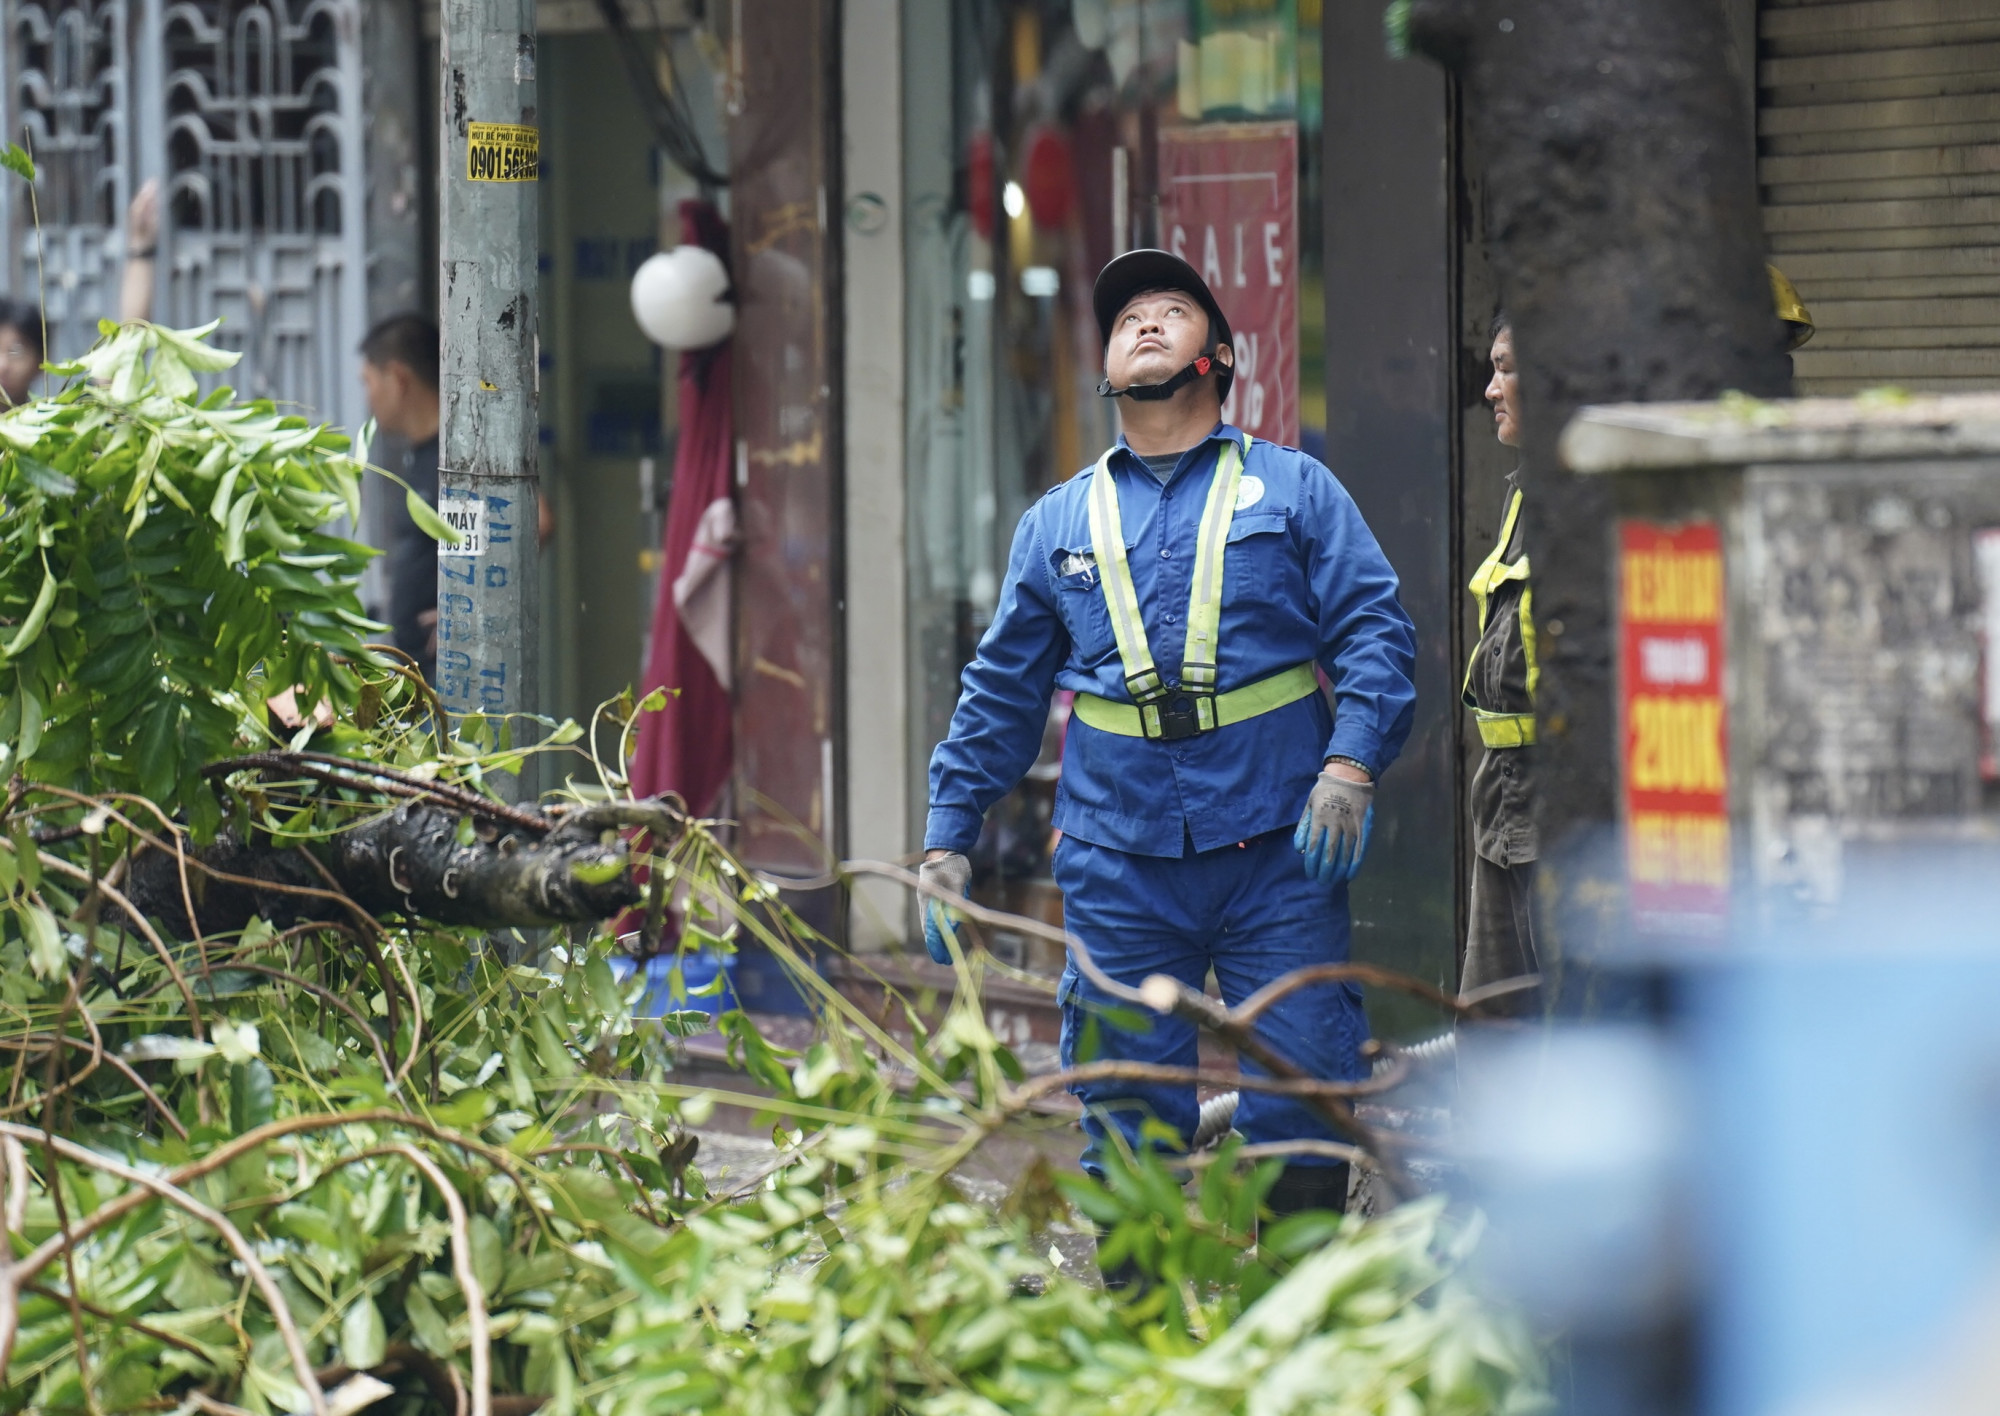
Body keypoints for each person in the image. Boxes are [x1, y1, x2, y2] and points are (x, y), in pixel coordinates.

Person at [920, 249, 1418, 1234]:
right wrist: (946, 834)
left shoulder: (1294, 490)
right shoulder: (1054, 522)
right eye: (1124, 319)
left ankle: (1295, 1333)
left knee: (1304, 1098)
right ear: (1104, 367)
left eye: (1171, 312)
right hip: (1116, 863)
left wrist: (1350, 762)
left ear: (1220, 358)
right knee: (1126, 1112)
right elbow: (1000, 692)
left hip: (1280, 848)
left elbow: (1374, 630)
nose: (1143, 323)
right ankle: (1143, 1340)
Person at [1458, 314, 1540, 1014]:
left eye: (1506, 368)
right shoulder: (1525, 492)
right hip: (1505, 795)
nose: (1490, 389)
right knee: (1496, 1029)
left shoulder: (1585, 498)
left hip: (1552, 802)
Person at [0, 179, 161, 407]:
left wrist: (141, 249)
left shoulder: (56, 428)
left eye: (16, 351)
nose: (3, 365)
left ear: (40, 363)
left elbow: (124, 350)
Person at [359, 313, 442, 681]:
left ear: (397, 378)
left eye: (369, 382)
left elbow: (537, 519)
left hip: (449, 679)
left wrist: (473, 612)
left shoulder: (454, 457)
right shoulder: (419, 454)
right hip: (419, 674)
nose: (367, 396)